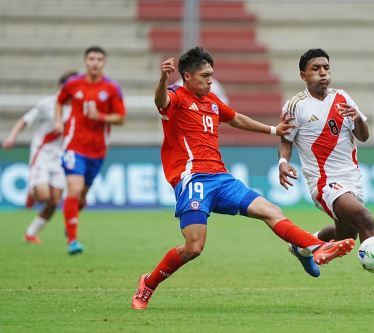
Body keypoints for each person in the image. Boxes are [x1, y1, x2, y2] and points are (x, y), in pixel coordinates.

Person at [131, 46, 356, 310]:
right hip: (193, 180)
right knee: (193, 247)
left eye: (211, 74)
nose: (210, 80)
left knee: (270, 210)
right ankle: (148, 283)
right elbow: (160, 102)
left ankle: (317, 247)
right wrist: (161, 80)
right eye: (205, 75)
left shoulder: (212, 101)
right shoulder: (176, 96)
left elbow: (236, 118)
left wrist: (273, 130)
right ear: (188, 77)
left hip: (221, 178)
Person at [278, 48, 374, 303]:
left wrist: (357, 119)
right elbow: (285, 139)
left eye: (326, 68)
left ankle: (302, 247)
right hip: (323, 181)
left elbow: (363, 136)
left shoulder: (342, 98)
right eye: (316, 69)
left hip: (352, 178)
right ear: (303, 74)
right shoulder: (295, 105)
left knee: (347, 237)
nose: (323, 73)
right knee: (364, 218)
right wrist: (283, 162)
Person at [54, 46, 126, 255]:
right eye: (91, 59)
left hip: (97, 150)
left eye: (99, 59)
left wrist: (101, 117)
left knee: (81, 197)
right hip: (73, 145)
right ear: (85, 61)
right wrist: (58, 121)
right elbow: (59, 102)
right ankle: (73, 240)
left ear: (104, 63)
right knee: (73, 189)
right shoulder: (73, 84)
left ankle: (71, 221)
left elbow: (121, 117)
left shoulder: (111, 88)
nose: (95, 62)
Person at [2, 71, 77, 244]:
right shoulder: (47, 104)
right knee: (43, 196)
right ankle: (32, 191)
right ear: (61, 87)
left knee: (55, 200)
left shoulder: (77, 107)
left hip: (60, 157)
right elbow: (24, 120)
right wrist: (12, 137)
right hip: (42, 153)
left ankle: (31, 233)